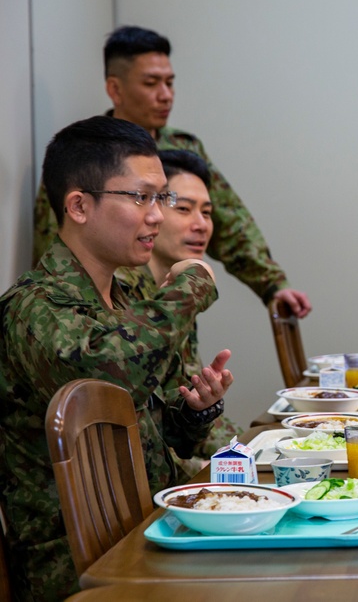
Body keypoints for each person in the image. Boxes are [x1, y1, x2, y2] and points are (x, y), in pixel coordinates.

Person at [1, 116, 236, 601]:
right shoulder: (34, 307)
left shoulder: (126, 296)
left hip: (152, 528)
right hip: (81, 564)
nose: (156, 215)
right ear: (79, 205)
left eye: (161, 198)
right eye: (140, 197)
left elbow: (151, 428)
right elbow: (111, 374)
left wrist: (195, 411)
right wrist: (190, 286)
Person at [31, 25, 311, 317]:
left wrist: (271, 284)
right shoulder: (86, 154)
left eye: (169, 83)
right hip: (105, 313)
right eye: (151, 83)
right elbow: (57, 245)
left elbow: (231, 224)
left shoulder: (183, 147)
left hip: (168, 301)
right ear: (115, 89)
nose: (165, 95)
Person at [117, 149, 242, 478]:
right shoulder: (124, 294)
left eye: (207, 212)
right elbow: (136, 432)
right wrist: (207, 470)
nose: (201, 225)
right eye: (184, 209)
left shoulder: (172, 289)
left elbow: (181, 409)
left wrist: (243, 451)